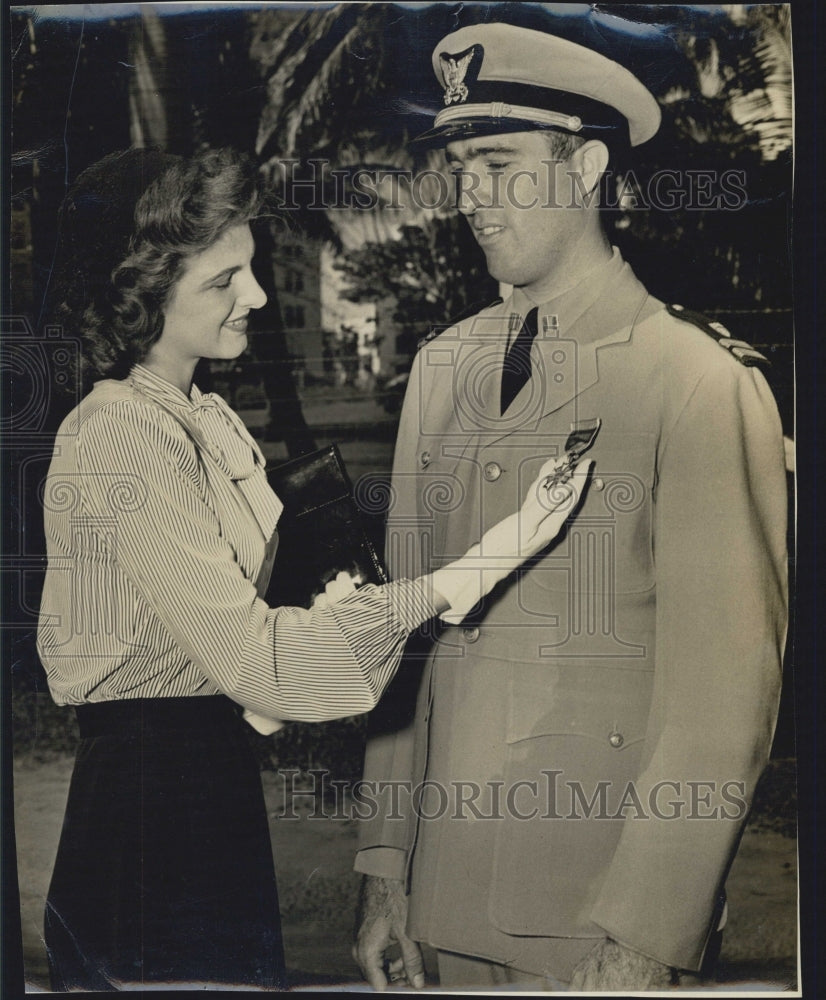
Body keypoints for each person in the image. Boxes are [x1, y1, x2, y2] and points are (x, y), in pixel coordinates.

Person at [35, 145, 591, 991]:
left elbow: (231, 649)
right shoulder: (120, 431)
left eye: (251, 269)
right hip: (149, 818)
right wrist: (488, 559)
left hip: (207, 784)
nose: (255, 296)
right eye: (223, 281)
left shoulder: (198, 414)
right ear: (140, 293)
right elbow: (261, 662)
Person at [353, 22, 788, 992]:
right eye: (462, 163)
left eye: (500, 162)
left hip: (590, 931)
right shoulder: (442, 370)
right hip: (437, 917)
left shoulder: (695, 384)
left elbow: (723, 700)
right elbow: (403, 645)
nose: (471, 192)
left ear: (586, 165)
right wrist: (383, 870)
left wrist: (643, 939)